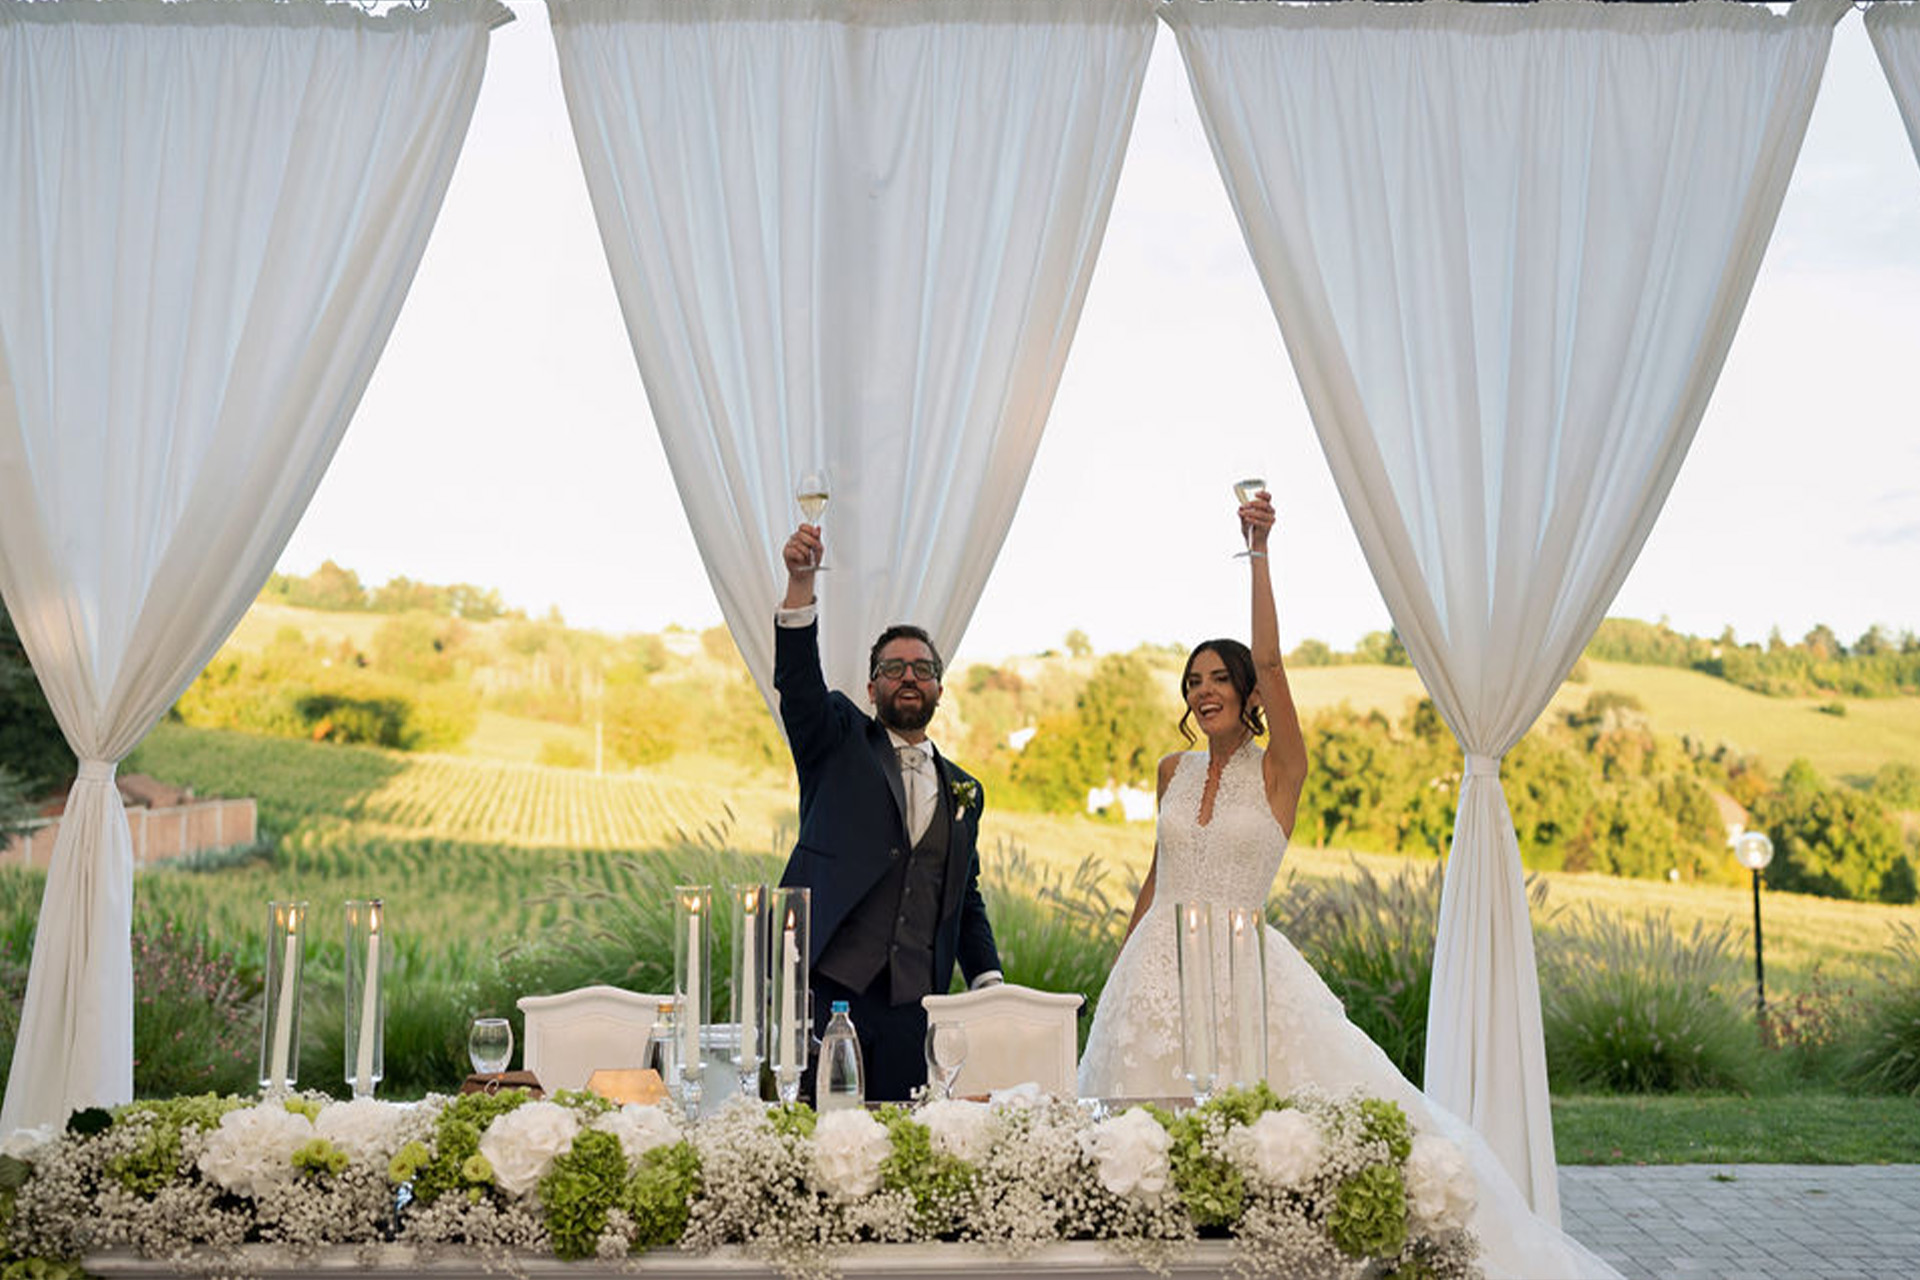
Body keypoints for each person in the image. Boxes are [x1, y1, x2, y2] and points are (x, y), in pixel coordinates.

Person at [1077, 491, 1622, 1280]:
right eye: (1193, 679)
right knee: (1143, 1144)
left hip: (1241, 971)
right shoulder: (1172, 769)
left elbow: (1272, 659)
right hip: (1154, 972)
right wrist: (1121, 964)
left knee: (1261, 1138)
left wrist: (1257, 553)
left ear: (1249, 694)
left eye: (1219, 678)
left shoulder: (1280, 770)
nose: (1204, 690)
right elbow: (1157, 876)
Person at [774, 520, 1002, 1102]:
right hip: (827, 991)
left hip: (913, 1006)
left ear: (939, 691)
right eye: (894, 668)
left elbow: (962, 894)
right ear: (872, 689)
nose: (909, 676)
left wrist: (988, 982)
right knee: (812, 1133)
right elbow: (798, 684)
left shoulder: (965, 791)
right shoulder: (837, 742)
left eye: (922, 669)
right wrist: (801, 584)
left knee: (903, 1147)